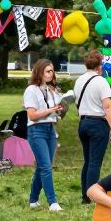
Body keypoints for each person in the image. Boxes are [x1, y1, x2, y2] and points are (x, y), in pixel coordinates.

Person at [74, 47, 111, 204]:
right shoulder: (101, 81)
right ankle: (92, 195)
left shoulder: (79, 80)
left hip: (83, 122)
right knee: (94, 162)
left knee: (87, 160)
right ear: (100, 66)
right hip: (98, 123)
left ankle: (85, 195)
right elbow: (107, 107)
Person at [23, 58, 65, 211]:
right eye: (48, 71)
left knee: (42, 167)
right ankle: (53, 202)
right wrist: (50, 110)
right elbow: (32, 115)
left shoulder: (50, 89)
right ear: (39, 72)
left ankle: (33, 200)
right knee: (46, 167)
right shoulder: (31, 90)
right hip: (36, 130)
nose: (51, 74)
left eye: (52, 71)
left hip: (50, 129)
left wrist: (60, 110)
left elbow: (54, 112)